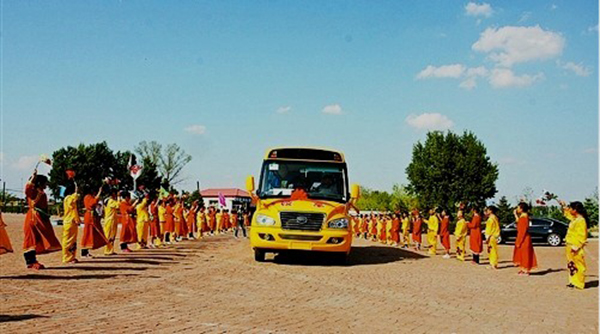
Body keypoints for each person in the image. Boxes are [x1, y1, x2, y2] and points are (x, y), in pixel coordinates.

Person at [560, 200, 588, 290]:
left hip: (575, 246)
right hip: (569, 244)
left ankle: (579, 283)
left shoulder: (581, 221)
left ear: (575, 210)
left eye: (571, 208)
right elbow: (567, 214)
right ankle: (573, 281)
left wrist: (578, 246)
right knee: (571, 264)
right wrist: (563, 206)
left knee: (579, 264)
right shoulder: (575, 219)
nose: (570, 210)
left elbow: (582, 235)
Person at [81, 186, 108, 258]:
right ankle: (84, 251)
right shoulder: (87, 197)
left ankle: (86, 250)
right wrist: (99, 193)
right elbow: (93, 203)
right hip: (89, 216)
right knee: (87, 233)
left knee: (91, 233)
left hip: (92, 216)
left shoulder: (88, 196)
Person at [512, 202, 537, 275]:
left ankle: (526, 269)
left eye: (518, 208)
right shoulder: (523, 216)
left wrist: (519, 241)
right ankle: (523, 268)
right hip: (524, 237)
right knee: (522, 253)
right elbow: (519, 222)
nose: (517, 209)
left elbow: (522, 230)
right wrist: (515, 215)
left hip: (524, 238)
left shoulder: (524, 217)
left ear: (521, 209)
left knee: (525, 254)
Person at [61, 182, 81, 264]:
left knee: (73, 241)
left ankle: (71, 257)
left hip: (73, 222)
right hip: (69, 222)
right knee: (67, 241)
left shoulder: (70, 198)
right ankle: (66, 258)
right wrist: (76, 191)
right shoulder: (68, 198)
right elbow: (72, 201)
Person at [103, 189, 121, 255]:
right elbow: (118, 206)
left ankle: (110, 249)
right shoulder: (111, 201)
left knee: (111, 235)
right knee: (110, 235)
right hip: (110, 220)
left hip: (109, 219)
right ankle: (108, 250)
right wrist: (119, 197)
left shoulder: (106, 200)